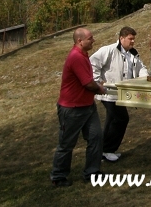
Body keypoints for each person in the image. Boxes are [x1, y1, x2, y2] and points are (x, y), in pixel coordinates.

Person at [50, 28, 105, 187]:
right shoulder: (76, 57)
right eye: (90, 38)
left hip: (87, 106)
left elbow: (88, 80)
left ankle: (92, 172)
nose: (93, 40)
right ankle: (58, 176)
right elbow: (87, 83)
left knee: (96, 137)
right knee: (66, 143)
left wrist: (97, 85)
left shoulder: (83, 55)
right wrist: (100, 89)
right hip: (72, 108)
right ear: (79, 41)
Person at [90, 27, 148, 162]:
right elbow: (93, 63)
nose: (133, 41)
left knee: (113, 120)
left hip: (122, 93)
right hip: (108, 93)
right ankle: (108, 150)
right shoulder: (108, 50)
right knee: (121, 119)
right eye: (130, 38)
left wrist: (144, 78)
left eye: (134, 38)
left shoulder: (132, 53)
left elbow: (141, 68)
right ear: (121, 38)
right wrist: (98, 82)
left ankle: (103, 151)